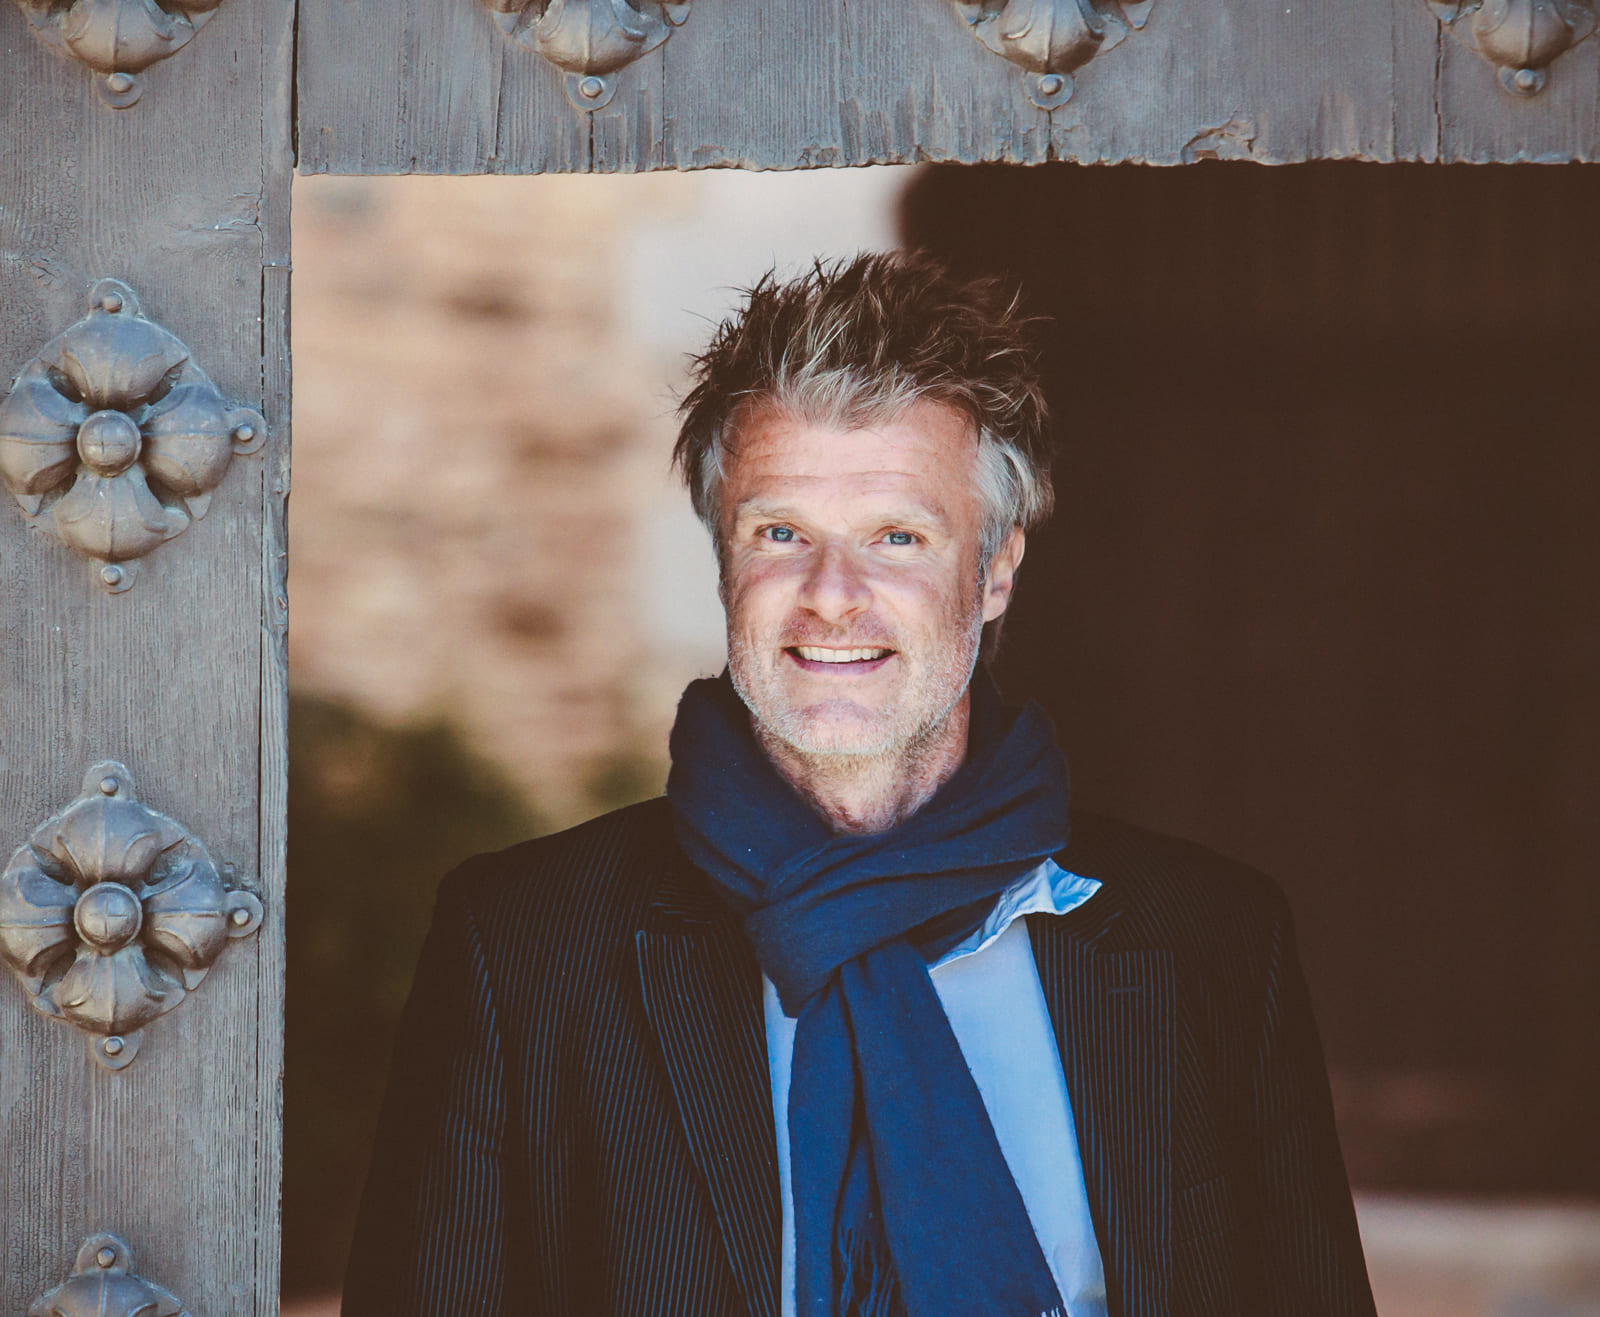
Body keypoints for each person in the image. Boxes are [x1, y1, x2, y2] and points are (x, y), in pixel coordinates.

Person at [342, 253, 1376, 1317]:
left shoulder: (1212, 942)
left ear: (995, 571)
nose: (832, 597)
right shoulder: (523, 949)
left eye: (897, 537)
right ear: (723, 560)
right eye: (780, 533)